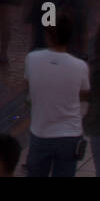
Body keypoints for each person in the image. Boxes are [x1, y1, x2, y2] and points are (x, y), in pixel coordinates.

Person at [24, 16, 90, 177]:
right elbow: (84, 95)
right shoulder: (80, 66)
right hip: (70, 136)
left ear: (48, 35)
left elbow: (29, 89)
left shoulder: (32, 59)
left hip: (41, 132)